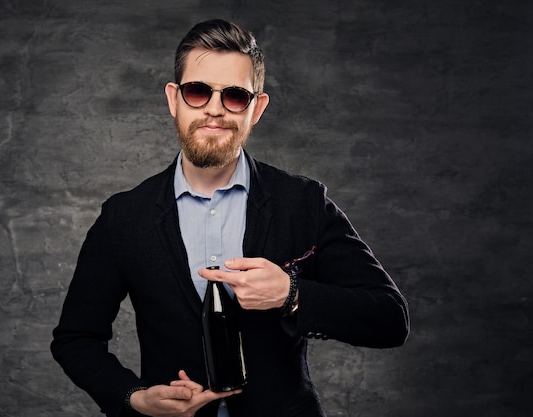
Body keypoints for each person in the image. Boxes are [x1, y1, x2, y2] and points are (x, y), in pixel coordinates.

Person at [51, 19, 409, 417]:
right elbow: (76, 339)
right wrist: (134, 398)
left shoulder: (303, 201)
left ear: (257, 108)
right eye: (197, 91)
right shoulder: (123, 217)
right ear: (174, 99)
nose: (215, 110)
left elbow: (390, 318)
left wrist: (291, 295)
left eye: (236, 96)